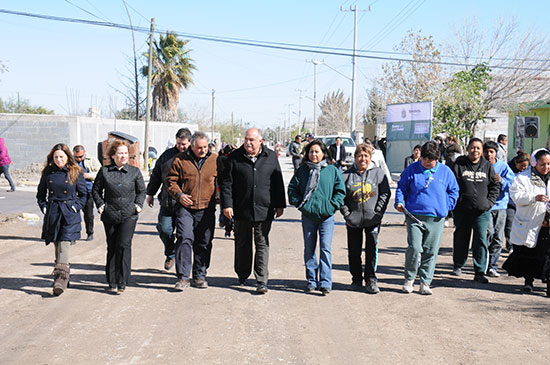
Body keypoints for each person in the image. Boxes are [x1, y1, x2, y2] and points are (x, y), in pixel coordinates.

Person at [220, 128, 286, 294]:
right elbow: (227, 184)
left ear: (260, 141)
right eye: (246, 139)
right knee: (242, 243)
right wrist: (227, 205)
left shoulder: (270, 157)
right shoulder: (235, 157)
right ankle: (242, 274)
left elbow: (278, 182)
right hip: (241, 209)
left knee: (262, 243)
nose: (248, 143)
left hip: (264, 208)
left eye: (252, 140)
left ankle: (261, 280)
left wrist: (280, 205)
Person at [395, 141, 459, 295]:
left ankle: (425, 281)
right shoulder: (411, 169)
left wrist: (446, 206)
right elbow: (401, 188)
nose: (427, 162)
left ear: (437, 158)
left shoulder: (445, 172)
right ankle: (409, 278)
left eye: (430, 159)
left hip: (436, 218)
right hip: (413, 215)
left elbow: (454, 191)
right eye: (424, 159)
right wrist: (400, 202)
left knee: (431, 250)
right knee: (415, 248)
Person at [288, 140, 346, 295]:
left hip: (327, 217)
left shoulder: (332, 170)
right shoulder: (302, 170)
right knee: (310, 249)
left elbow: (340, 191)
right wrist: (301, 205)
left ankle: (326, 282)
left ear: (323, 153)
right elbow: (292, 189)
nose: (314, 154)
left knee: (325, 248)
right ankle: (311, 280)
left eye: (317, 152)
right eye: (311, 152)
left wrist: (332, 206)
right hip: (308, 216)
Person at [92, 139, 146, 294]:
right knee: (112, 246)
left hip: (129, 214)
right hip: (110, 214)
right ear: (113, 155)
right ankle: (112, 280)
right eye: (120, 153)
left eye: (125, 153)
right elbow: (96, 191)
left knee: (124, 244)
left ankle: (123, 280)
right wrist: (101, 205)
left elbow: (142, 191)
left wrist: (138, 205)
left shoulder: (134, 172)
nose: (123, 156)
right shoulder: (104, 171)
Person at [166, 132, 218, 291]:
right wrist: (179, 195)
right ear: (192, 146)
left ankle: (200, 275)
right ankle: (183, 277)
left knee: (204, 242)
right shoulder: (180, 159)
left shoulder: (215, 160)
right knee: (184, 238)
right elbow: (170, 181)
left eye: (205, 147)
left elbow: (223, 181)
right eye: (199, 148)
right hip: (185, 208)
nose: (203, 150)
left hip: (206, 208)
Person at [37, 143, 87, 296]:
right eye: (56, 157)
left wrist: (74, 207)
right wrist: (45, 207)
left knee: (64, 244)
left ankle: (60, 278)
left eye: (61, 157)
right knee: (57, 243)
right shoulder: (48, 173)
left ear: (67, 157)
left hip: (69, 213)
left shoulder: (75, 172)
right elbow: (40, 194)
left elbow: (83, 195)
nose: (59, 160)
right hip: (53, 211)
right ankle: (65, 274)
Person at [341, 143, 390, 293]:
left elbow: (385, 194)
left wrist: (379, 212)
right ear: (355, 158)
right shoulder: (346, 175)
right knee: (354, 251)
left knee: (371, 249)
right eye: (360, 156)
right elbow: (340, 197)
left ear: (370, 158)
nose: (363, 159)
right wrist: (347, 214)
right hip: (353, 221)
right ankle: (356, 279)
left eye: (366, 156)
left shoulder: (378, 173)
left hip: (373, 220)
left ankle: (371, 279)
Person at [451, 138, 500, 283]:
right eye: (472, 148)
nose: (475, 151)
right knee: (461, 237)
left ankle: (479, 271)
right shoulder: (459, 164)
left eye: (478, 148)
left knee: (481, 240)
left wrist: (489, 202)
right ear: (467, 149)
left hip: (481, 212)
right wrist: (455, 203)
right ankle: (458, 265)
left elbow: (495, 186)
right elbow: (452, 184)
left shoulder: (487, 166)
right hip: (462, 210)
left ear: (482, 150)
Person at [503, 149, 550, 295]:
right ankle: (528, 281)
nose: (546, 167)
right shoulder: (523, 178)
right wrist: (533, 197)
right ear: (535, 163)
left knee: (547, 254)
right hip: (531, 221)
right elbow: (516, 196)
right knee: (530, 253)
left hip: (547, 223)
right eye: (542, 164)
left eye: (549, 164)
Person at [145, 128, 191, 270]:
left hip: (185, 204)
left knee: (184, 235)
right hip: (166, 201)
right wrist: (150, 194)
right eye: (178, 143)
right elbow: (156, 176)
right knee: (164, 229)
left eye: (183, 144)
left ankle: (181, 265)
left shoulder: (193, 156)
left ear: (190, 142)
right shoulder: (166, 156)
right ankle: (170, 253)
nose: (181, 147)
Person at [483, 141, 515, 278]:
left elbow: (513, 184)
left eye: (492, 152)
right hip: (486, 206)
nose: (489, 154)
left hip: (501, 206)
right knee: (488, 233)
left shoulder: (503, 166)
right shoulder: (481, 166)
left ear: (496, 153)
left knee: (498, 237)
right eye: (487, 151)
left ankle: (493, 266)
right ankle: (482, 265)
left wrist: (501, 180)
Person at [72, 145, 102, 241]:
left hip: (88, 190)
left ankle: (90, 232)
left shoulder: (91, 160)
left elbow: (100, 172)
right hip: (74, 191)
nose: (79, 159)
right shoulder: (71, 161)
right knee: (73, 213)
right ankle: (73, 235)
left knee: (88, 214)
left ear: (84, 152)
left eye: (81, 156)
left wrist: (87, 175)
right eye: (77, 157)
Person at [504, 151, 530, 252]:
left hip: (522, 203)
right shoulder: (508, 169)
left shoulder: (526, 173)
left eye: (526, 166)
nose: (524, 168)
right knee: (509, 224)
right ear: (516, 162)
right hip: (509, 202)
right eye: (522, 165)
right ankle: (510, 245)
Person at [217, 143, 237, 238]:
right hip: (228, 188)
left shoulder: (219, 158)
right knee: (229, 210)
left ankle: (227, 229)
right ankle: (231, 228)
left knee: (224, 209)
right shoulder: (228, 160)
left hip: (222, 188)